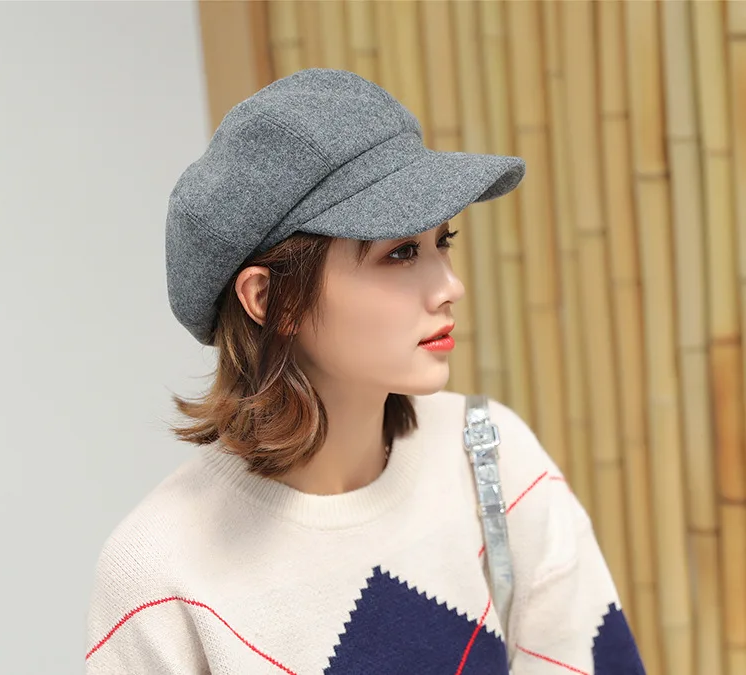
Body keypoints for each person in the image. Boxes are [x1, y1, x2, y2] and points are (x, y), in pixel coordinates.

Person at [84, 68, 645, 674]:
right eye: (400, 252)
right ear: (268, 299)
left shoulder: (491, 458)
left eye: (442, 241)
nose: (449, 286)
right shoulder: (162, 573)